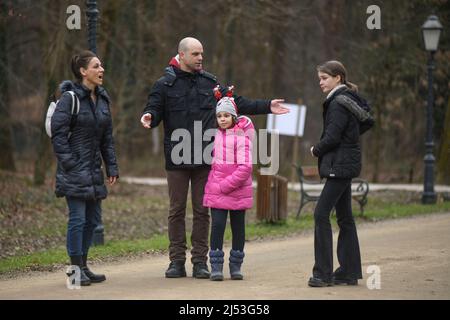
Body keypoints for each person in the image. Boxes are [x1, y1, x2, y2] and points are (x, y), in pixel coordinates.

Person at [141, 37, 289, 279]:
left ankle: (200, 261)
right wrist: (149, 116)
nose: (201, 58)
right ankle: (176, 261)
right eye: (196, 54)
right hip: (176, 158)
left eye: (202, 53)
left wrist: (266, 106)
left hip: (207, 158)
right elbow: (154, 108)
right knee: (176, 210)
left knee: (202, 210)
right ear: (182, 55)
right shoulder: (164, 85)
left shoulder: (210, 84)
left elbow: (235, 103)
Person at [51, 50, 119, 286]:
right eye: (96, 66)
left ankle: (83, 266)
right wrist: (70, 163)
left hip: (93, 172)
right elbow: (58, 137)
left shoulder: (102, 98)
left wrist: (111, 166)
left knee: (92, 221)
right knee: (78, 220)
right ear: (83, 71)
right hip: (74, 172)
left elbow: (106, 138)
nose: (102, 70)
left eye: (101, 66)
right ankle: (74, 272)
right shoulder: (70, 99)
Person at [308, 60, 374, 287]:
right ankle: (348, 271)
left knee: (320, 214)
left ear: (338, 78)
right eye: (319, 78)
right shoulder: (349, 99)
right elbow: (364, 124)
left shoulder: (338, 103)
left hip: (339, 166)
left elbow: (333, 136)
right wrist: (350, 140)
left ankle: (323, 274)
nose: (320, 82)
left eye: (324, 78)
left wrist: (316, 149)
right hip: (345, 165)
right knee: (345, 218)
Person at [203, 86, 254, 281]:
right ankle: (215, 266)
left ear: (234, 117)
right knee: (217, 227)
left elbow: (245, 168)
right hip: (217, 192)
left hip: (235, 191)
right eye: (219, 116)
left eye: (226, 115)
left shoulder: (241, 138)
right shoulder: (215, 136)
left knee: (238, 228)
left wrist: (225, 186)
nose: (222, 119)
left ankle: (236, 266)